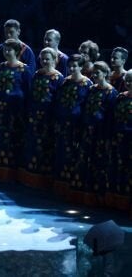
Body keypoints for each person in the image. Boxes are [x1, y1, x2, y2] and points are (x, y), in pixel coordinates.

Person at [0, 39, 32, 182]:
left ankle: (12, 173)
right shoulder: (0, 67)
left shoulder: (24, 69)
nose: (6, 52)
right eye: (5, 49)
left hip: (15, 112)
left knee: (13, 140)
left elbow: (28, 92)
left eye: (9, 49)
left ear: (16, 51)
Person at [72, 61, 118, 206]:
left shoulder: (112, 93)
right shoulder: (91, 89)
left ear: (105, 73)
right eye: (93, 73)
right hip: (88, 131)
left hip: (101, 134)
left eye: (98, 73)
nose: (95, 75)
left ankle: (99, 197)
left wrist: (108, 136)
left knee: (99, 164)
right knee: (85, 161)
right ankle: (85, 194)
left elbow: (111, 117)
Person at [20, 47, 64, 189]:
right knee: (32, 145)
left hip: (48, 118)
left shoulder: (58, 78)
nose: (45, 61)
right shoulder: (37, 74)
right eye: (43, 59)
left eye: (48, 59)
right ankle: (31, 177)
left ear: (55, 60)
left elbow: (58, 100)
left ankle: (45, 181)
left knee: (46, 147)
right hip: (34, 116)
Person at [52, 54, 93, 199]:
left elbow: (88, 106)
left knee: (75, 155)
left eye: (75, 66)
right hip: (63, 124)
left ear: (81, 67)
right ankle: (60, 186)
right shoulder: (64, 82)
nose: (71, 68)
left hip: (77, 126)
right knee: (62, 152)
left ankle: (73, 188)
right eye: (70, 66)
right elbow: (58, 101)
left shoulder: (87, 84)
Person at [106, 70, 131, 211]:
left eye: (131, 81)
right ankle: (118, 202)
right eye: (127, 81)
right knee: (119, 169)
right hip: (119, 139)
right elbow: (112, 118)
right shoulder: (121, 97)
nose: (129, 84)